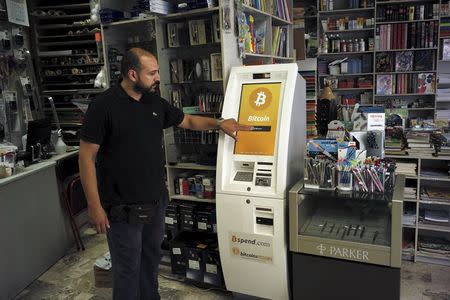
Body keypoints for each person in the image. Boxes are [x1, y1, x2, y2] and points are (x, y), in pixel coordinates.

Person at [79, 47, 251, 300]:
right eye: (152, 73)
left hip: (156, 202)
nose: (158, 77)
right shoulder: (103, 106)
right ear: (132, 74)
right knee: (127, 271)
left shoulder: (154, 103)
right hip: (121, 207)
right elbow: (86, 157)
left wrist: (218, 123)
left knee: (151, 262)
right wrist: (94, 206)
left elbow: (188, 121)